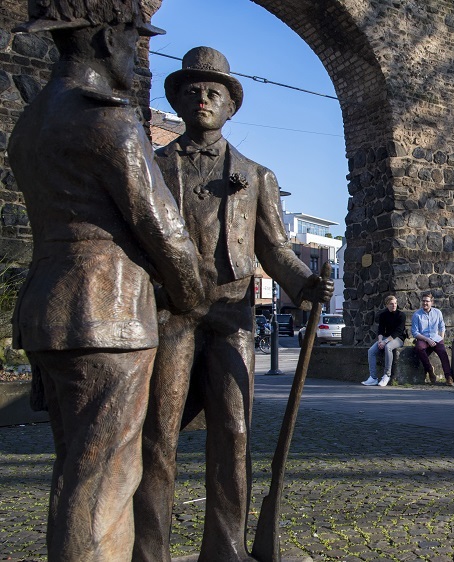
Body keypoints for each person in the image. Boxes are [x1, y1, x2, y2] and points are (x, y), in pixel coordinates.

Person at [7, 1, 204, 559]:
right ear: (101, 38)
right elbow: (165, 231)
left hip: (47, 309)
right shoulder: (108, 120)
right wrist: (191, 299)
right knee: (106, 480)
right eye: (129, 41)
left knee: (74, 471)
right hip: (108, 313)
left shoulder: (31, 123)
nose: (134, 56)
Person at [131, 46, 334, 562]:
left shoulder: (256, 175)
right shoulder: (152, 167)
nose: (203, 98)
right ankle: (147, 552)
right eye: (193, 90)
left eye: (214, 92)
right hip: (170, 313)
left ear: (230, 107)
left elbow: (275, 247)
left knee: (234, 432)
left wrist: (305, 283)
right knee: (158, 436)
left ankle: (225, 549)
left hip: (231, 314)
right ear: (177, 101)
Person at [363, 295, 407, 387]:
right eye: (391, 304)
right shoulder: (383, 315)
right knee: (371, 351)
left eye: (395, 303)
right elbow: (381, 330)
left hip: (398, 338)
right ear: (387, 305)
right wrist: (380, 341)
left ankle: (387, 375)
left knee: (388, 347)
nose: (394, 305)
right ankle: (373, 378)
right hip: (385, 338)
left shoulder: (401, 315)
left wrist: (385, 342)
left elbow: (398, 332)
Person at [411, 293, 454, 386]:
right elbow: (415, 332)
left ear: (432, 302)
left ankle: (448, 377)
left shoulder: (437, 312)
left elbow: (442, 327)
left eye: (427, 301)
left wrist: (441, 339)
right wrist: (427, 339)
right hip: (423, 338)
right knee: (419, 348)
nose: (425, 303)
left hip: (436, 338)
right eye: (423, 301)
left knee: (443, 353)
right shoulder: (417, 315)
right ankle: (430, 369)